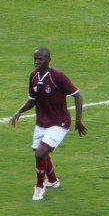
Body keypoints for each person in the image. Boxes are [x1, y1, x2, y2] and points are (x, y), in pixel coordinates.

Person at [9, 47, 87, 201]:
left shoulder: (57, 76)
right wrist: (19, 111)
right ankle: (52, 181)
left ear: (49, 60)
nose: (37, 62)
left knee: (40, 153)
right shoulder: (33, 76)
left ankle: (39, 187)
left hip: (59, 122)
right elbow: (33, 99)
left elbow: (78, 96)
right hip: (42, 123)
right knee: (40, 154)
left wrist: (78, 120)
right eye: (35, 59)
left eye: (41, 59)